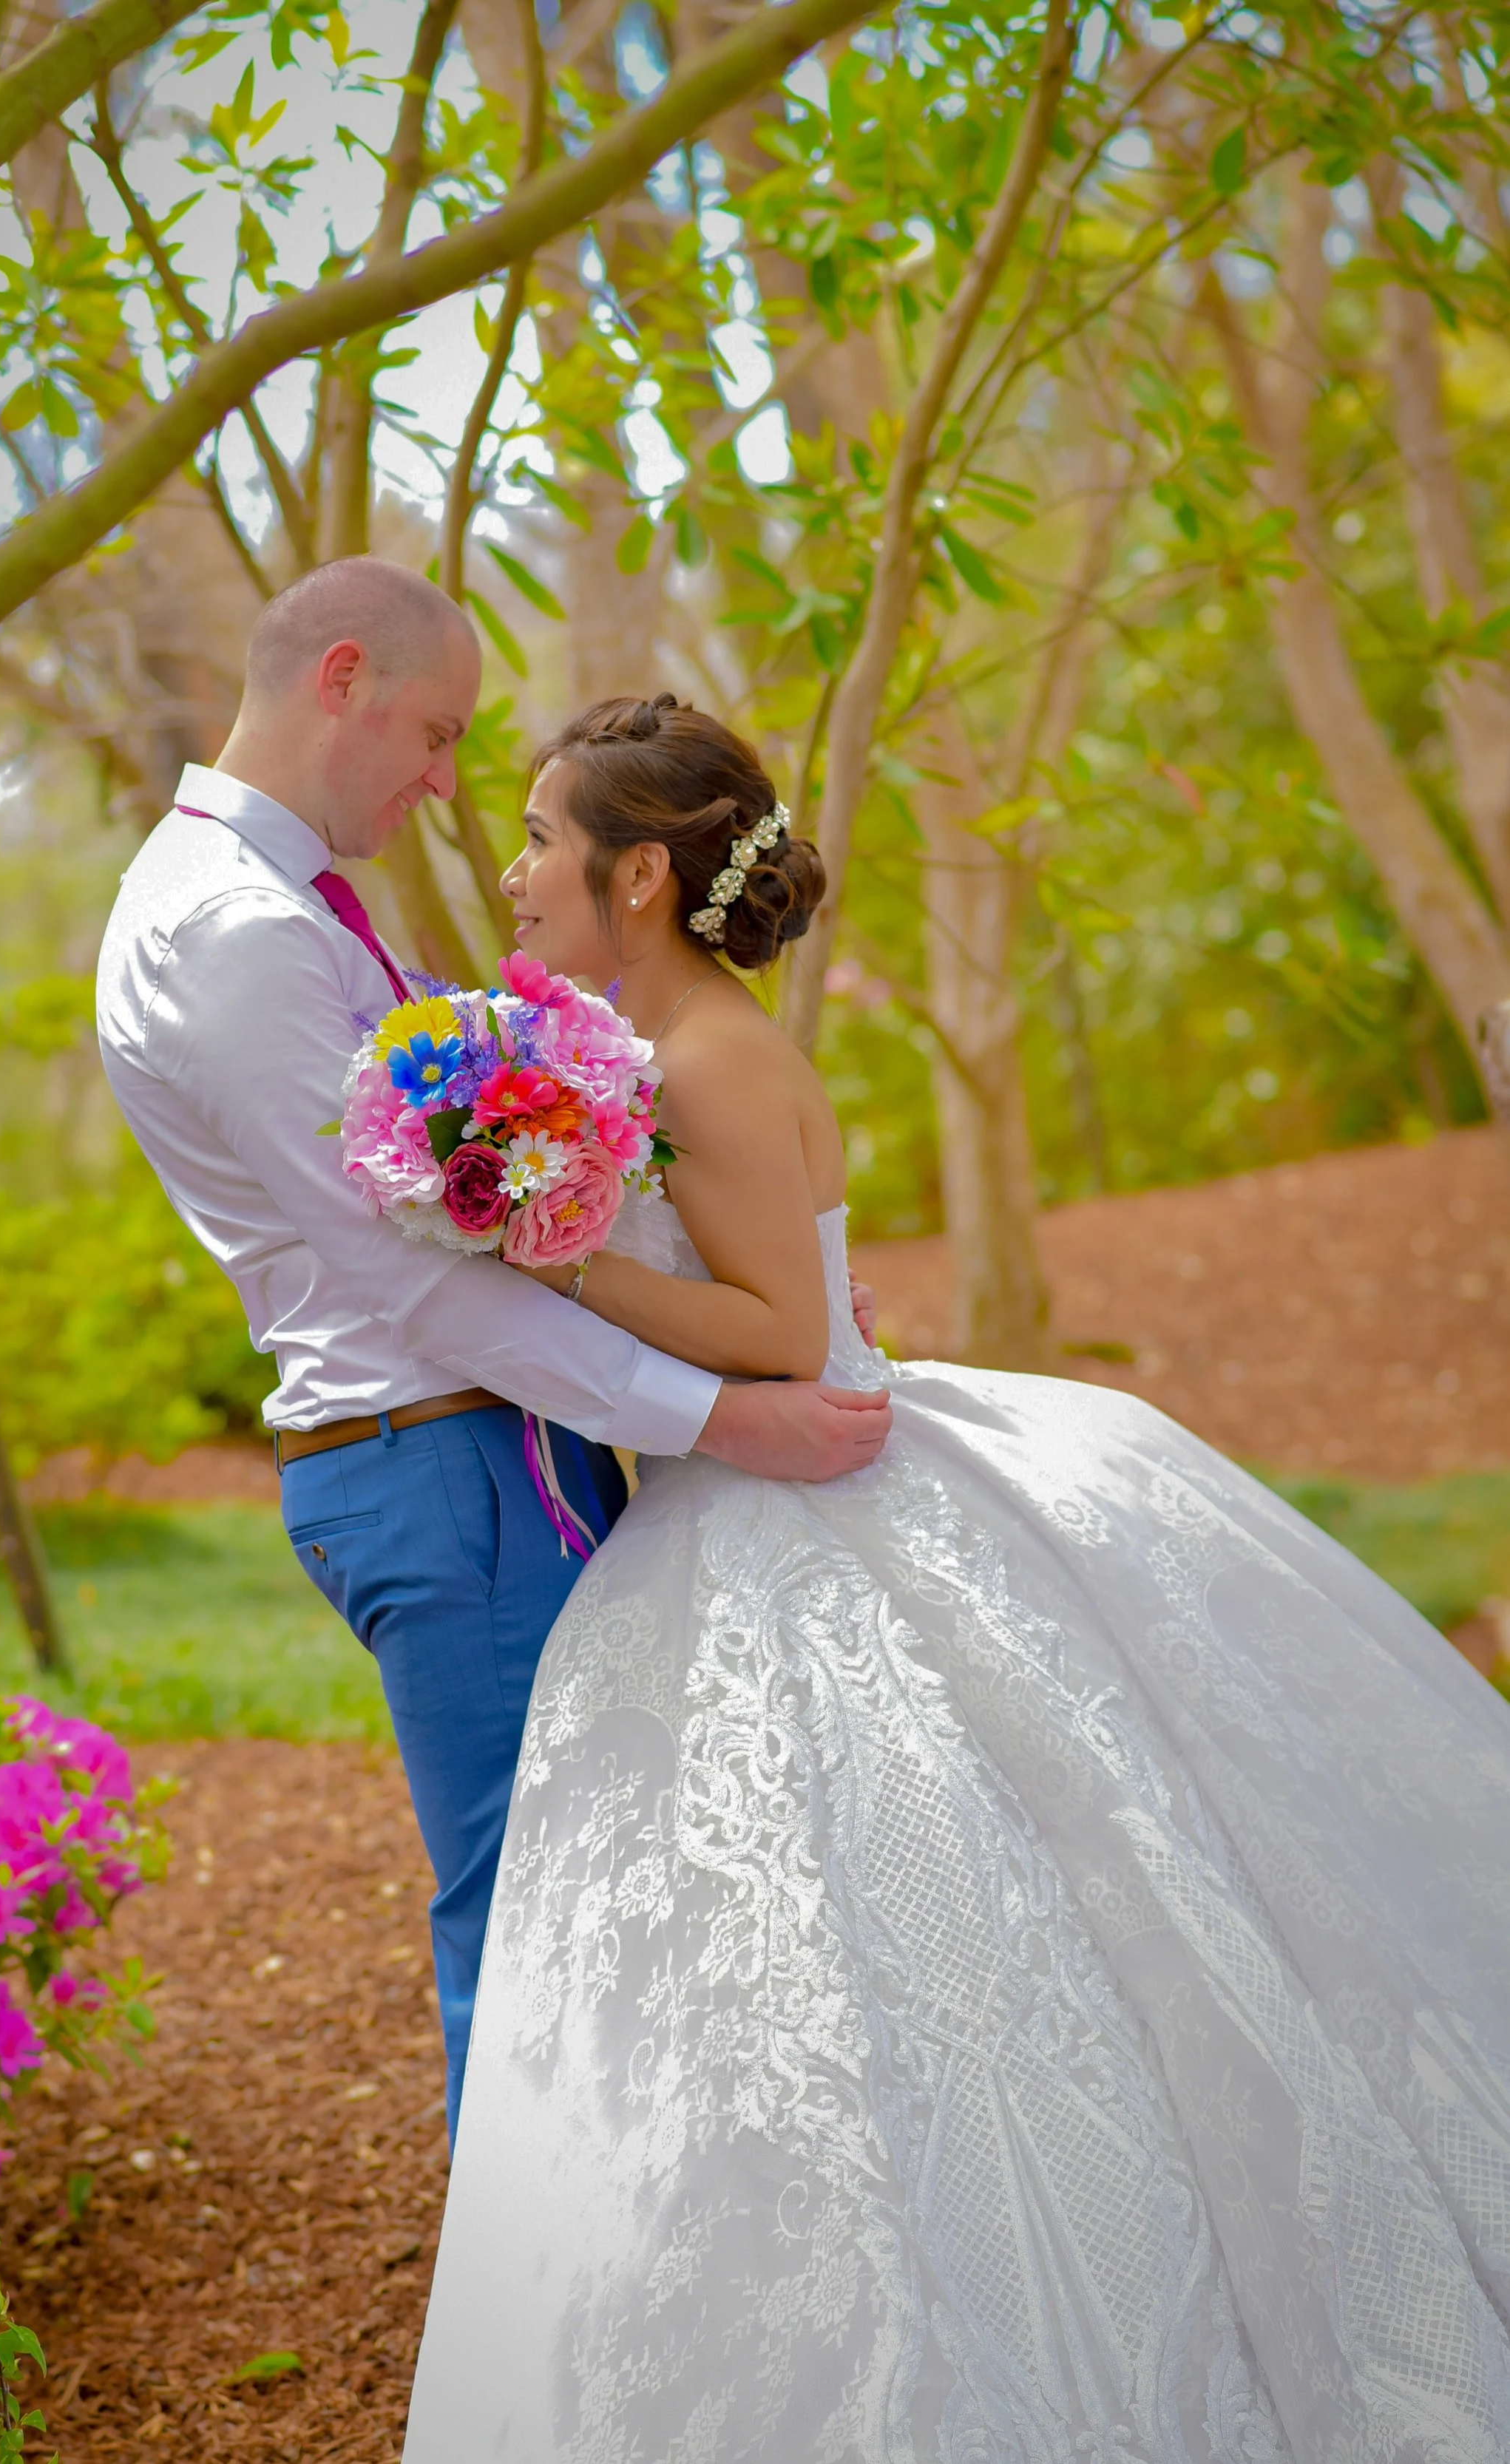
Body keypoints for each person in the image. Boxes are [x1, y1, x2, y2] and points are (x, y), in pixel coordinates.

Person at [402, 694, 1510, 2462]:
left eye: (539, 837)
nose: (515, 871)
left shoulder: (705, 1062)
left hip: (788, 1504)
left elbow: (775, 1330)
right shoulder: (639, 1049)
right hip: (738, 1497)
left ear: (634, 874)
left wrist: (543, 1260)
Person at [94, 566, 890, 2140]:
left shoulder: (286, 906)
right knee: (537, 1923)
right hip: (438, 1463)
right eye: (439, 732)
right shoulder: (236, 933)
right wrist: (726, 1417)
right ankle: (533, 2357)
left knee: (595, 1901)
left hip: (486, 1451)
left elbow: (477, 1217)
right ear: (341, 678)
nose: (449, 780)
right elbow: (419, 1286)